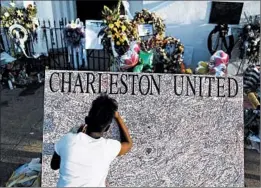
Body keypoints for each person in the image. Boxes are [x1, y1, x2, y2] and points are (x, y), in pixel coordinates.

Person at [50, 94, 133, 187]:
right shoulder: (109, 147)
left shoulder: (68, 139)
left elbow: (54, 165)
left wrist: (74, 135)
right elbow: (128, 144)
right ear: (107, 128)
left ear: (86, 120)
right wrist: (118, 117)